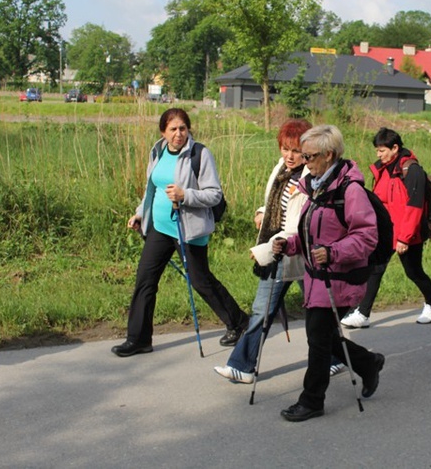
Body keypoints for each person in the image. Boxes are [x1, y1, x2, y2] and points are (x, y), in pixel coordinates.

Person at [111, 108, 249, 357]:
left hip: (189, 229)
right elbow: (150, 189)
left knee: (200, 280)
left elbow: (214, 194)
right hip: (160, 227)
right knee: (145, 280)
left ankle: (239, 322)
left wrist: (186, 195)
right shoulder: (157, 151)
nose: (178, 134)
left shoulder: (200, 154)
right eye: (173, 129)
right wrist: (140, 213)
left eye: (183, 128)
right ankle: (139, 339)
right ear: (163, 131)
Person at [272, 124, 385, 422]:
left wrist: (334, 252)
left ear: (329, 155)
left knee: (318, 340)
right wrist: (291, 243)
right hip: (317, 277)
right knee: (323, 337)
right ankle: (368, 362)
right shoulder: (317, 185)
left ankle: (312, 400)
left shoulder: (351, 190)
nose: (304, 162)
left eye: (309, 156)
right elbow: (312, 231)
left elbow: (366, 237)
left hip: (341, 278)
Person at [213, 120, 312, 383]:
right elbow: (275, 203)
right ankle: (242, 366)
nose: (289, 156)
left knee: (314, 313)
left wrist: (266, 250)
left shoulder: (309, 179)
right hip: (279, 250)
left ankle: (346, 358)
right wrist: (261, 211)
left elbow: (297, 223)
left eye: (295, 150)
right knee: (264, 310)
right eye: (285, 148)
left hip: (294, 253)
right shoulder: (281, 169)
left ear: (307, 150)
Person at [340, 127, 431, 328]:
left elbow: (415, 206)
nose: (378, 154)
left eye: (381, 150)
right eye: (377, 150)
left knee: (413, 271)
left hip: (408, 234)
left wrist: (404, 237)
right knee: (375, 268)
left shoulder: (412, 171)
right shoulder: (383, 169)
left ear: (395, 148)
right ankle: (363, 313)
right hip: (386, 232)